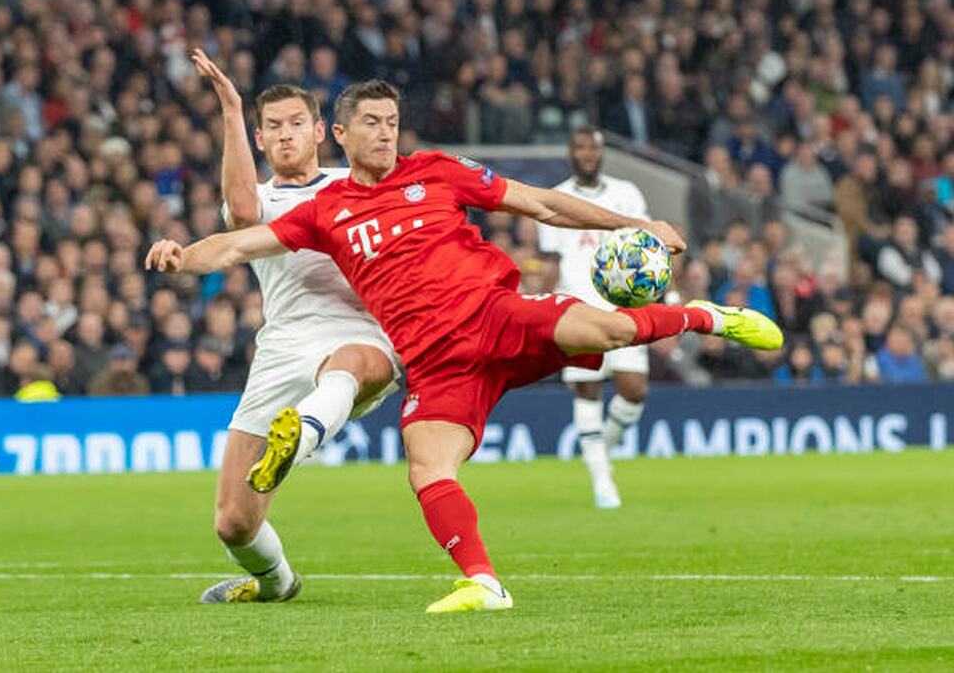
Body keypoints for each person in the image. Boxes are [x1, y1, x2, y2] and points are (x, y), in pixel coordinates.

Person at [146, 80, 783, 614]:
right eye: (371, 122)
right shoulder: (326, 210)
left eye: (393, 122)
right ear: (340, 133)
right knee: (425, 465)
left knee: (611, 330)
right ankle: (484, 582)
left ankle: (703, 316)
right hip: (434, 362)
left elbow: (542, 206)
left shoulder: (438, 171)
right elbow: (236, 240)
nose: (386, 133)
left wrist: (634, 223)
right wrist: (181, 257)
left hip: (493, 315)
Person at [186, 51, 400, 605]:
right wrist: (230, 107)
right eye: (273, 128)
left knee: (349, 363)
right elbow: (238, 211)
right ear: (260, 140)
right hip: (282, 348)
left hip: (361, 335)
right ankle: (277, 584)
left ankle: (303, 434)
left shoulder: (353, 185)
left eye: (296, 124)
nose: (285, 136)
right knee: (233, 522)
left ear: (319, 132)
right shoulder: (264, 199)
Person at [536, 127, 650, 509]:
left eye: (593, 148)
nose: (587, 154)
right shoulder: (556, 198)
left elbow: (648, 249)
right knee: (588, 390)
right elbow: (551, 261)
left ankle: (602, 455)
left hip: (623, 309)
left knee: (634, 390)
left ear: (602, 153)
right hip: (577, 311)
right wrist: (544, 310)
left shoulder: (627, 194)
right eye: (580, 147)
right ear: (570, 152)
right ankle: (603, 484)